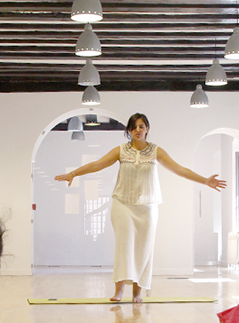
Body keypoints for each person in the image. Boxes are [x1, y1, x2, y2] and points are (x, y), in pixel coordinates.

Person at [55, 113, 226, 302]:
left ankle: (137, 292)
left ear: (147, 129)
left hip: (148, 207)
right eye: (134, 127)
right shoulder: (121, 150)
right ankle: (118, 291)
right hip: (122, 204)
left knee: (143, 249)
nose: (138, 130)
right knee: (124, 247)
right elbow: (97, 165)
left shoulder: (155, 151)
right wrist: (73, 174)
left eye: (141, 126)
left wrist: (205, 181)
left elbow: (180, 170)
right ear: (129, 131)